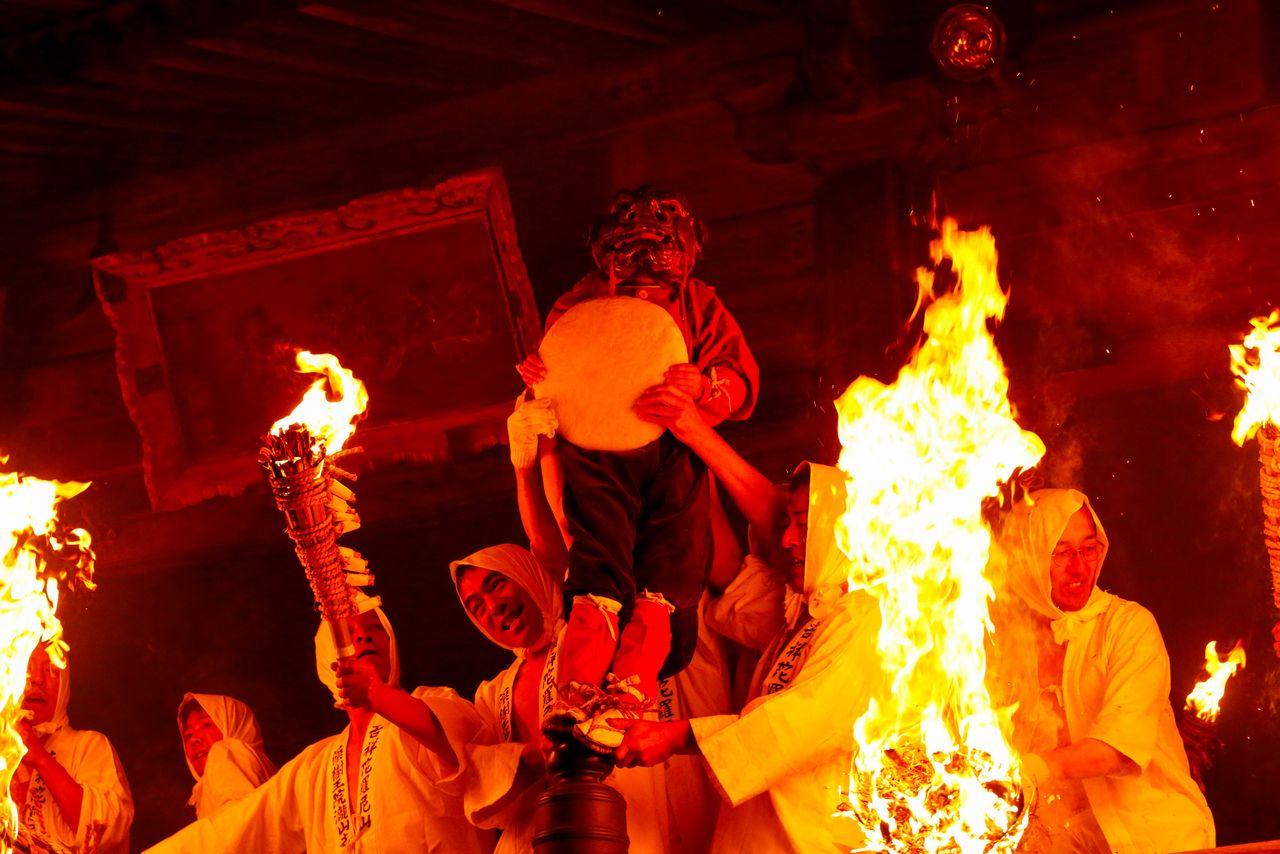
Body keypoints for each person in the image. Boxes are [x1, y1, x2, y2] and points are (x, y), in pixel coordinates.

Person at [516, 187, 760, 750]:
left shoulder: (698, 303)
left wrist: (703, 387)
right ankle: (577, 690)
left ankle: (629, 692)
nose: (643, 257)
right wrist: (538, 380)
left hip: (672, 447)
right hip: (594, 454)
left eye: (659, 239)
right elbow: (554, 382)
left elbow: (736, 375)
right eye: (627, 241)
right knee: (597, 566)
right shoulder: (577, 307)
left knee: (666, 568)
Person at [612, 459, 880, 853]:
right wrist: (690, 455)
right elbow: (731, 576)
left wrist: (676, 736)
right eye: (785, 525)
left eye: (803, 525)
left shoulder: (868, 616)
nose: (787, 540)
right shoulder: (798, 616)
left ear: (843, 531)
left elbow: (802, 720)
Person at [146, 596, 492, 853]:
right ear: (327, 657)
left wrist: (377, 694)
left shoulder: (437, 701)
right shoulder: (315, 767)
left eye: (374, 628)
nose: (364, 637)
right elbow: (231, 831)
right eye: (349, 632)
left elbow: (452, 740)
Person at [450, 544, 724, 853]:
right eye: (476, 606)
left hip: (616, 823)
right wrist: (531, 756)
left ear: (528, 574)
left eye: (497, 585)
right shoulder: (491, 692)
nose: (492, 606)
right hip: (531, 839)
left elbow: (571, 544)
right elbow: (481, 777)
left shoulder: (595, 634)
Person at [994, 488, 1214, 853]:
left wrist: (1029, 769)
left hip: (1153, 837)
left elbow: (1116, 748)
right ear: (1030, 558)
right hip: (1063, 836)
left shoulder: (1130, 626)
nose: (1080, 567)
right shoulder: (1006, 642)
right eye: (1062, 552)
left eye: (1089, 548)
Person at [12, 643, 133, 853]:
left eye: (51, 670)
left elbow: (107, 830)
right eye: (27, 668)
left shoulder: (90, 745)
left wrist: (41, 759)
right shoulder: (4, 758)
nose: (37, 679)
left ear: (65, 685)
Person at [177, 693, 276, 819]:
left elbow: (237, 822)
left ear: (236, 726)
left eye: (206, 725)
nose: (193, 739)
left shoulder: (226, 752)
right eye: (188, 735)